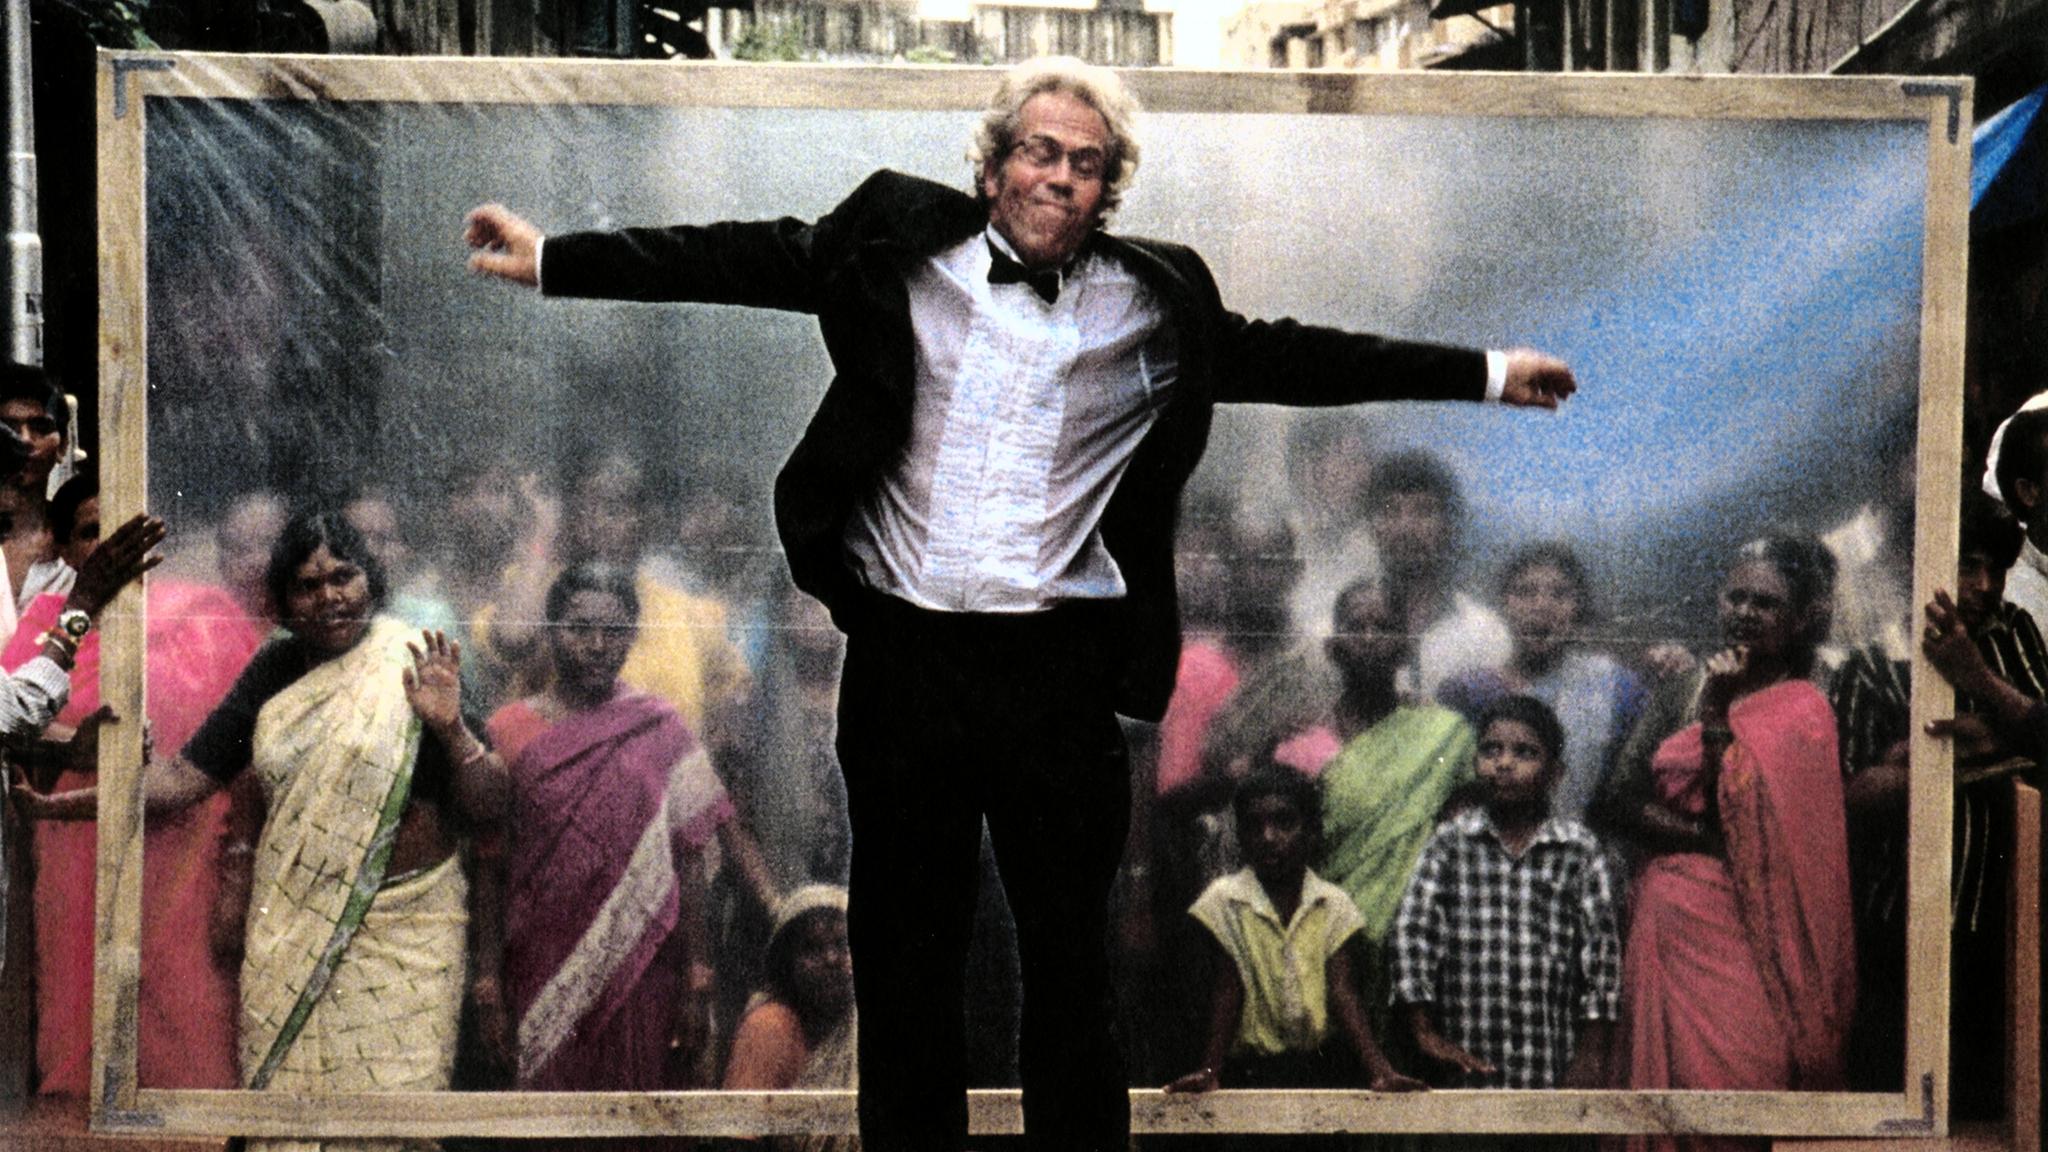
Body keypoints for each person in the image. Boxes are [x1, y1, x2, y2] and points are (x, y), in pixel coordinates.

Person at [464, 55, 1574, 1152]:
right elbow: (744, 256)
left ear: (1106, 192)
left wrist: (1484, 374)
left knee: (1068, 970)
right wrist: (553, 258)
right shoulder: (899, 246)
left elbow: (1292, 357)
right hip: (906, 663)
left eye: (1086, 165)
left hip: (1056, 674)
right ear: (992, 167)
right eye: (1040, 153)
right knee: (907, 968)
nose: (1061, 177)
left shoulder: (1150, 302)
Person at [17, 510, 504, 1143]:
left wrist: (451, 727)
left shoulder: (414, 657)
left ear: (371, 580)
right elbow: (183, 779)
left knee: (391, 1128)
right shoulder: (275, 669)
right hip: (292, 933)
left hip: (403, 941)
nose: (329, 597)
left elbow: (490, 807)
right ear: (283, 600)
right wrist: (61, 807)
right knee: (287, 1125)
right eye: (307, 585)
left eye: (343, 577)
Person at [4, 473, 261, 1093]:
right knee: (83, 1049)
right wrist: (76, 745)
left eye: (124, 529)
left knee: (191, 1046)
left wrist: (238, 868)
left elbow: (250, 758)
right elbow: (13, 725)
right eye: (91, 532)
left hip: (192, 865)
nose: (109, 546)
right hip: (76, 866)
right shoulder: (43, 625)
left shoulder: (208, 616)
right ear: (61, 549)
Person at [1616, 535, 1854, 1148]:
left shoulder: (1811, 704)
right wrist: (1702, 838)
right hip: (1673, 920)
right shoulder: (1683, 687)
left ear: (1799, 618)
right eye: (1736, 597)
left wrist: (1721, 722)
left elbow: (1784, 830)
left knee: (1750, 1078)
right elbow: (1617, 798)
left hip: (1762, 931)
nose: (1745, 612)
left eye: (1766, 603)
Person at [482, 560, 731, 1092]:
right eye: (579, 629)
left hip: (645, 964)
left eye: (614, 630)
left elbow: (691, 858)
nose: (597, 645)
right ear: (552, 631)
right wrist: (486, 983)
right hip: (544, 964)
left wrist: (699, 975)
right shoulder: (508, 731)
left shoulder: (663, 727)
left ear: (632, 635)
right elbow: (489, 862)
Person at [1388, 695, 1620, 1090]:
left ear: (1555, 773)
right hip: (1466, 1065)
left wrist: (1590, 1054)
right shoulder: (1451, 843)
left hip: (1549, 1066)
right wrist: (1424, 1032)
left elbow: (1601, 955)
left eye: (1525, 753)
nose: (1505, 763)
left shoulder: (1577, 850)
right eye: (1491, 750)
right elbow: (1413, 932)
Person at [1165, 765, 1422, 1094]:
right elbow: (1227, 991)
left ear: (1312, 832)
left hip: (1321, 1068)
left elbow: (1343, 992)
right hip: (1250, 1072)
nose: (1268, 837)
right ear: (1240, 836)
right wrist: (1210, 1071)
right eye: (1254, 826)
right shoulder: (1225, 901)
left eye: (1284, 823)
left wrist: (1380, 1070)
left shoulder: (1332, 904)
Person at [1313, 577, 1477, 1018]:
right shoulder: (1305, 741)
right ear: (1333, 647)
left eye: (1383, 627)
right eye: (1356, 627)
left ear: (1406, 647)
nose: (1369, 639)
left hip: (1419, 943)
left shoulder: (1444, 734)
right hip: (1327, 936)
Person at [1437, 542, 1645, 821]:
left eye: (1560, 594)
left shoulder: (1616, 687)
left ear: (1579, 608)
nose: (1542, 606)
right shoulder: (1467, 691)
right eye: (1525, 592)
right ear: (1503, 604)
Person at [1364, 451, 1512, 699]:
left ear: (1449, 526)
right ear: (1372, 526)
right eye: (1390, 511)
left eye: (1424, 511)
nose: (1405, 527)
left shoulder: (1485, 633)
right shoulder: (1339, 629)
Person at [724, 884, 859, 1152]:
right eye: (812, 948)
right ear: (787, 963)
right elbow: (737, 1142)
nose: (831, 959)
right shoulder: (770, 1027)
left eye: (842, 944)